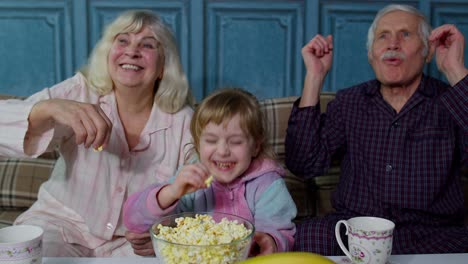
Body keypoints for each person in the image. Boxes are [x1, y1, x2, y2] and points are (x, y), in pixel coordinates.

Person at [0, 10, 194, 257]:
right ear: (107, 54)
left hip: (131, 245)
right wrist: (48, 108)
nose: (131, 51)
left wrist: (171, 226)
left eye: (147, 45)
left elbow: (201, 194)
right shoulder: (80, 92)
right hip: (60, 226)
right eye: (122, 41)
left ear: (163, 68)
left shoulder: (184, 121)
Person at [285, 4, 468, 254]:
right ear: (371, 53)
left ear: (428, 51)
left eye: (405, 34)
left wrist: (454, 69)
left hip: (432, 233)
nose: (392, 44)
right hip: (355, 230)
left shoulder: (450, 100)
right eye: (383, 36)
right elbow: (304, 164)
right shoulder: (349, 102)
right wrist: (314, 77)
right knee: (302, 238)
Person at [123, 88, 297, 255]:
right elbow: (134, 221)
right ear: (198, 144)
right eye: (211, 140)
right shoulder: (190, 180)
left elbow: (279, 232)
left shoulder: (267, 185)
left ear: (255, 146)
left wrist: (269, 241)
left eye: (236, 142)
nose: (222, 151)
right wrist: (171, 192)